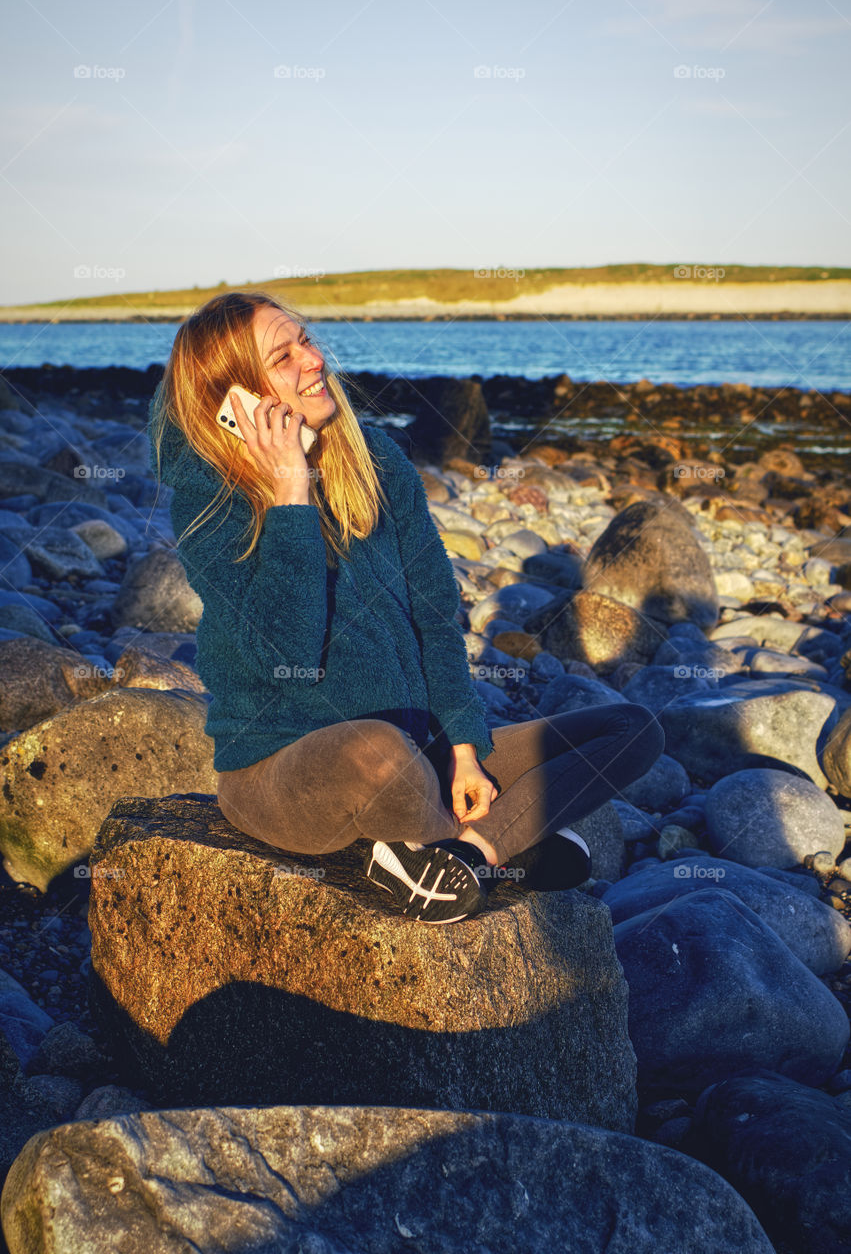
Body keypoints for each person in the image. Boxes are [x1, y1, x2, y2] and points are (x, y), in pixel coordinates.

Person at [147, 291, 665, 924]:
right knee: (377, 748)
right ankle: (484, 842)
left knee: (633, 728)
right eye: (283, 357)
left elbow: (434, 620)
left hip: (422, 749)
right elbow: (289, 649)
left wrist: (468, 749)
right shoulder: (210, 503)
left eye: (305, 339)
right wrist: (290, 494)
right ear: (236, 401)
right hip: (287, 766)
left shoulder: (374, 460)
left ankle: (469, 851)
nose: (313, 360)